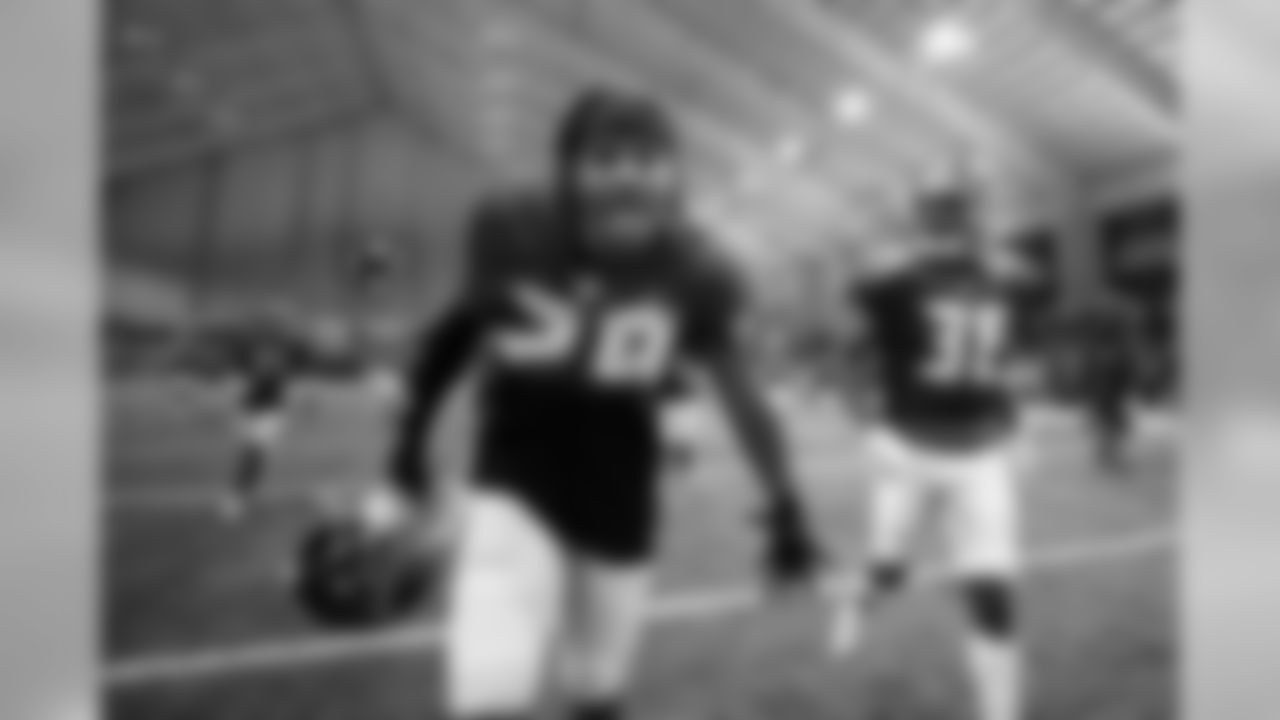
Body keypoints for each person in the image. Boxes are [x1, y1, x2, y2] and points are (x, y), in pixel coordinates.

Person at [368, 87, 821, 720]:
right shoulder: (514, 228)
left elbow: (744, 399)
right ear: (569, 171)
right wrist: (408, 442)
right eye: (606, 158)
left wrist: (786, 507)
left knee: (597, 692)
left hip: (620, 497)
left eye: (649, 158)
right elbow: (458, 330)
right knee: (489, 687)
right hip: (516, 484)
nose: (629, 177)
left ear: (676, 174)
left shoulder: (699, 267)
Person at [831, 185, 1032, 720]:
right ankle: (857, 599)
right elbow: (848, 355)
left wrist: (1013, 422)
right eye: (941, 219)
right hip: (908, 449)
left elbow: (999, 360)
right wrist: (866, 426)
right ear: (923, 226)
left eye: (960, 217)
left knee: (991, 584)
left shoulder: (1004, 281)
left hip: (980, 453)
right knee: (889, 570)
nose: (952, 228)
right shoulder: (893, 282)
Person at [222, 314, 304, 520]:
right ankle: (238, 496)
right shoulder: (258, 353)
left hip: (270, 412)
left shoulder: (279, 354)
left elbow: (278, 379)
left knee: (256, 456)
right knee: (252, 456)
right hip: (254, 410)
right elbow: (252, 379)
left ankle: (241, 495)